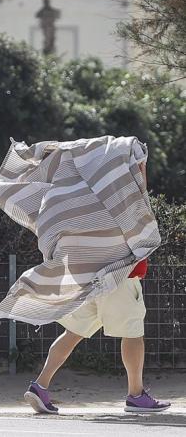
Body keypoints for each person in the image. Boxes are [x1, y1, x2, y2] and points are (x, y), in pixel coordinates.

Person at [24, 158, 169, 414]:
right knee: (133, 334)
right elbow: (139, 204)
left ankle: (40, 385)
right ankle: (136, 395)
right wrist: (141, 171)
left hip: (90, 279)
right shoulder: (121, 202)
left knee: (72, 333)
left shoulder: (87, 203)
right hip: (121, 278)